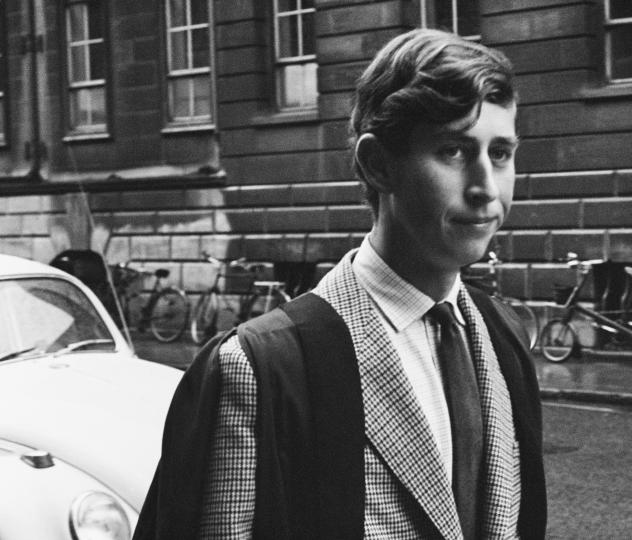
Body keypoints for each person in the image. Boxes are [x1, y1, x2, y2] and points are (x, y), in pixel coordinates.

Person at [134, 28, 546, 540]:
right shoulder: (263, 366)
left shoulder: (503, 335)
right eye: (454, 152)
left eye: (501, 153)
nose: (486, 187)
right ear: (378, 165)